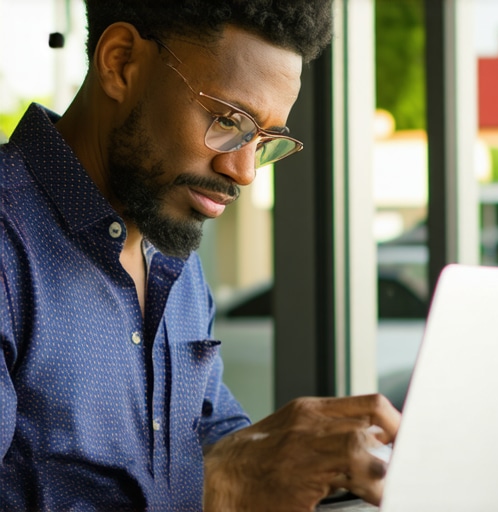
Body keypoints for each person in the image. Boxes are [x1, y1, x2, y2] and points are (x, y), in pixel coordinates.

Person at [0, 1, 401, 510]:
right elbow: (219, 475)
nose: (245, 171)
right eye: (230, 121)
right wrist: (219, 486)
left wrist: (322, 458)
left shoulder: (171, 257)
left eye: (264, 141)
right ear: (120, 62)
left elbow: (215, 442)